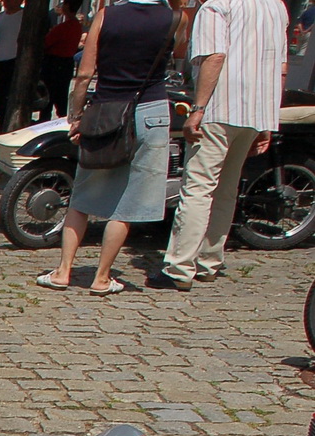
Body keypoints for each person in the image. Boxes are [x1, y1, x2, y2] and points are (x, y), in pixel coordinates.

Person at [37, 0, 177, 297]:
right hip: (151, 109)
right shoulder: (174, 18)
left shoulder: (106, 15)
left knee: (84, 193)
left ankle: (63, 270)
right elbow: (175, 54)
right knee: (128, 200)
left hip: (107, 109)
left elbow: (85, 73)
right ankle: (102, 277)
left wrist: (76, 117)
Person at [156, 0, 286, 289]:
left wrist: (198, 108)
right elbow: (281, 66)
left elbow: (214, 57)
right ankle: (209, 260)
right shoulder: (276, 6)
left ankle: (179, 267)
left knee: (199, 187)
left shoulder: (216, 6)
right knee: (227, 188)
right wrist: (268, 119)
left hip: (221, 106)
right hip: (255, 109)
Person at [42, 0, 83, 119]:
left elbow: (46, 42)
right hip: (66, 63)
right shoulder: (76, 26)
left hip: (55, 63)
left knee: (49, 97)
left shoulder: (63, 27)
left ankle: (45, 121)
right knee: (62, 95)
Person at [0, 0, 23, 128]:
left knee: (11, 101)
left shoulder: (23, 17)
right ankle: (2, 127)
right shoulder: (0, 17)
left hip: (13, 62)